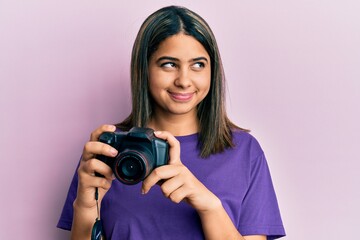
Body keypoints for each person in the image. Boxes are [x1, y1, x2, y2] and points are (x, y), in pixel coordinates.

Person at [57, 5, 286, 240]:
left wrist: (210, 207)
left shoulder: (244, 152)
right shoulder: (109, 149)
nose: (184, 81)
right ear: (144, 69)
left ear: (212, 70)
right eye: (169, 64)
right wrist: (85, 207)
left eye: (198, 64)